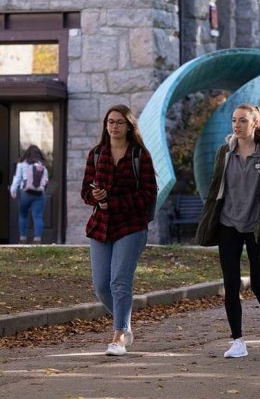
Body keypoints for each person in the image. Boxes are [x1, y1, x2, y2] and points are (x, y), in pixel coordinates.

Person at [195, 103, 260, 359]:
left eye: (243, 121)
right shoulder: (225, 151)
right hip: (229, 224)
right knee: (231, 283)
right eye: (234, 120)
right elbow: (217, 185)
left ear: (255, 123)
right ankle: (237, 341)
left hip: (259, 226)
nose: (237, 125)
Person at [81, 104, 157, 357]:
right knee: (102, 286)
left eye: (119, 122)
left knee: (119, 282)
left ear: (129, 126)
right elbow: (85, 193)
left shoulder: (139, 156)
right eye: (110, 122)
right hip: (101, 226)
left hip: (131, 226)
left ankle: (119, 337)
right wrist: (95, 196)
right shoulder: (96, 154)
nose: (114, 126)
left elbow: (148, 194)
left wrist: (111, 202)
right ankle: (124, 322)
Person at [10, 145, 49, 244]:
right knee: (38, 216)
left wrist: (13, 190)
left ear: (26, 154)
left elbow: (17, 178)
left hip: (25, 193)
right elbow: (46, 181)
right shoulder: (42, 165)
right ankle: (37, 239)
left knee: (23, 215)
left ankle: (22, 238)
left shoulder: (21, 165)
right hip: (39, 194)